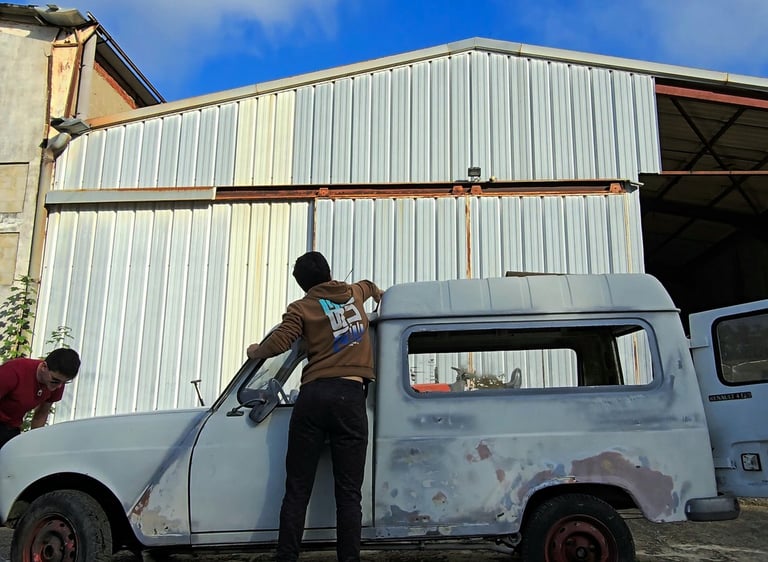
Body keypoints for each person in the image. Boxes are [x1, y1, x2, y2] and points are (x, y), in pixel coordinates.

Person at [246, 251, 382, 562]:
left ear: (302, 285)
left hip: (314, 396)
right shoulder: (354, 293)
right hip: (350, 397)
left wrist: (255, 351)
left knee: (297, 489)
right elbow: (369, 285)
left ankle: (286, 557)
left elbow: (280, 342)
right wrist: (379, 294)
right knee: (349, 494)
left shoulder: (302, 307)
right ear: (329, 272)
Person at [0, 348, 80, 449]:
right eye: (55, 380)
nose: (59, 386)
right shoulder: (12, 372)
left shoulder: (56, 384)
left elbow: (41, 414)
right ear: (44, 367)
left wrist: (34, 442)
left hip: (12, 428)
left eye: (64, 382)